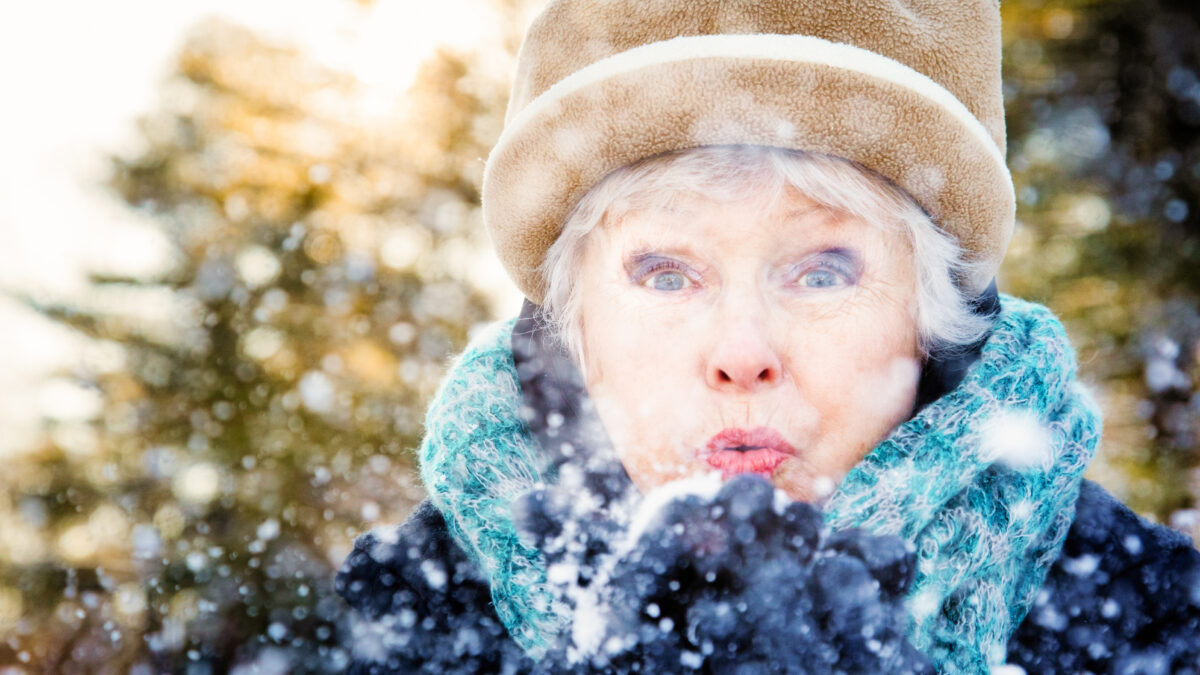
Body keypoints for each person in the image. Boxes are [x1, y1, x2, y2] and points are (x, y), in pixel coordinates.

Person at [336, 1, 1200, 672]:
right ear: (576, 328)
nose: (742, 351)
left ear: (927, 314)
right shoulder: (399, 620)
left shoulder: (1152, 620)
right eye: (665, 273)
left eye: (823, 271)